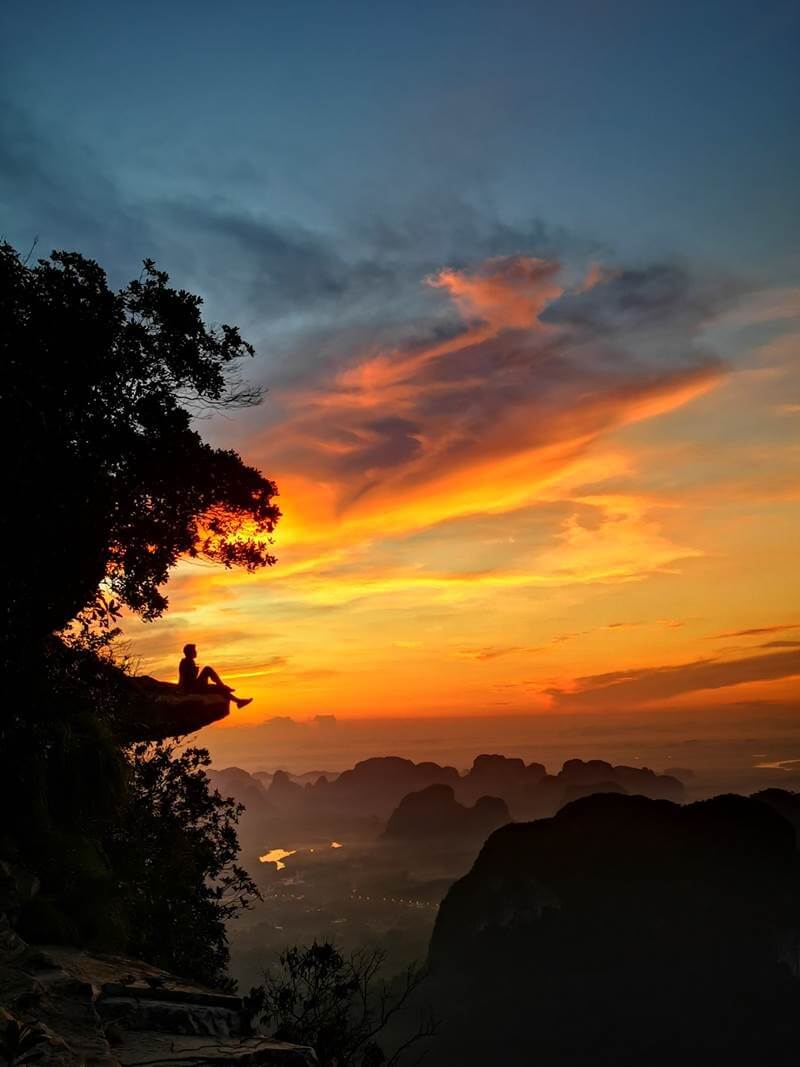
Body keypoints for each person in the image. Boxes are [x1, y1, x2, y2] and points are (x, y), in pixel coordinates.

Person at [178, 644, 252, 709]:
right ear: (189, 652)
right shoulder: (186, 662)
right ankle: (235, 698)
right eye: (194, 650)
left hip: (194, 686)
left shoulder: (189, 661)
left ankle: (237, 700)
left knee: (217, 687)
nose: (196, 652)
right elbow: (188, 679)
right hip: (192, 688)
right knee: (208, 669)